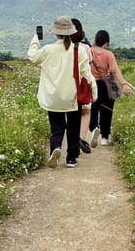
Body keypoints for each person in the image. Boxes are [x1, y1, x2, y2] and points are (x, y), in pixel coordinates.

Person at [28, 16, 97, 168]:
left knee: (57, 126)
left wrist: (35, 39)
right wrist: (94, 91)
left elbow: (33, 56)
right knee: (73, 126)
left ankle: (56, 148)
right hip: (72, 96)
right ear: (72, 32)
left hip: (53, 97)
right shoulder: (78, 50)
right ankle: (71, 158)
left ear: (56, 33)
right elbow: (86, 73)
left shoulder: (48, 50)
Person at [89, 29, 132, 146]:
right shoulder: (108, 54)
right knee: (106, 111)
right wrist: (124, 83)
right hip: (106, 85)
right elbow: (115, 70)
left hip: (91, 84)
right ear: (106, 42)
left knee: (92, 109)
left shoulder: (88, 51)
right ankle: (104, 137)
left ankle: (93, 129)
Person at [70, 18, 93, 154]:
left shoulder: (61, 48)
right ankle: (80, 138)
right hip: (82, 87)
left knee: (69, 115)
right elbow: (88, 68)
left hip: (66, 87)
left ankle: (69, 143)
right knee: (85, 112)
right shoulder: (85, 48)